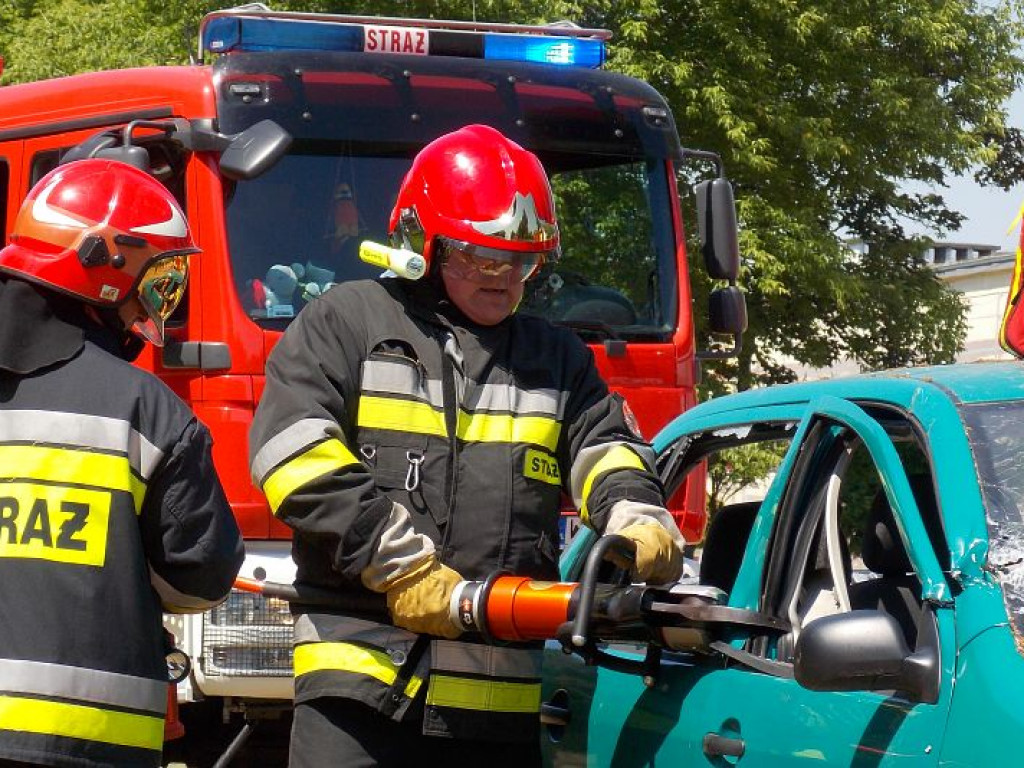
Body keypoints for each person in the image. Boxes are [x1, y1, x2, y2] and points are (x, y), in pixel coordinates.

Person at [249, 124, 685, 767]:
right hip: (360, 688)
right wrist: (402, 566)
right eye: (481, 257)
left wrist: (635, 515)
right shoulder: (348, 322)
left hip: (495, 702)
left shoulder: (555, 357)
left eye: (522, 261)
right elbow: (292, 456)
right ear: (419, 241)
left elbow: (605, 445)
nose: (504, 277)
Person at [0, 159, 245, 767]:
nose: (157, 302)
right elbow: (201, 576)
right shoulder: (144, 409)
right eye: (158, 278)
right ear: (102, 266)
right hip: (84, 743)